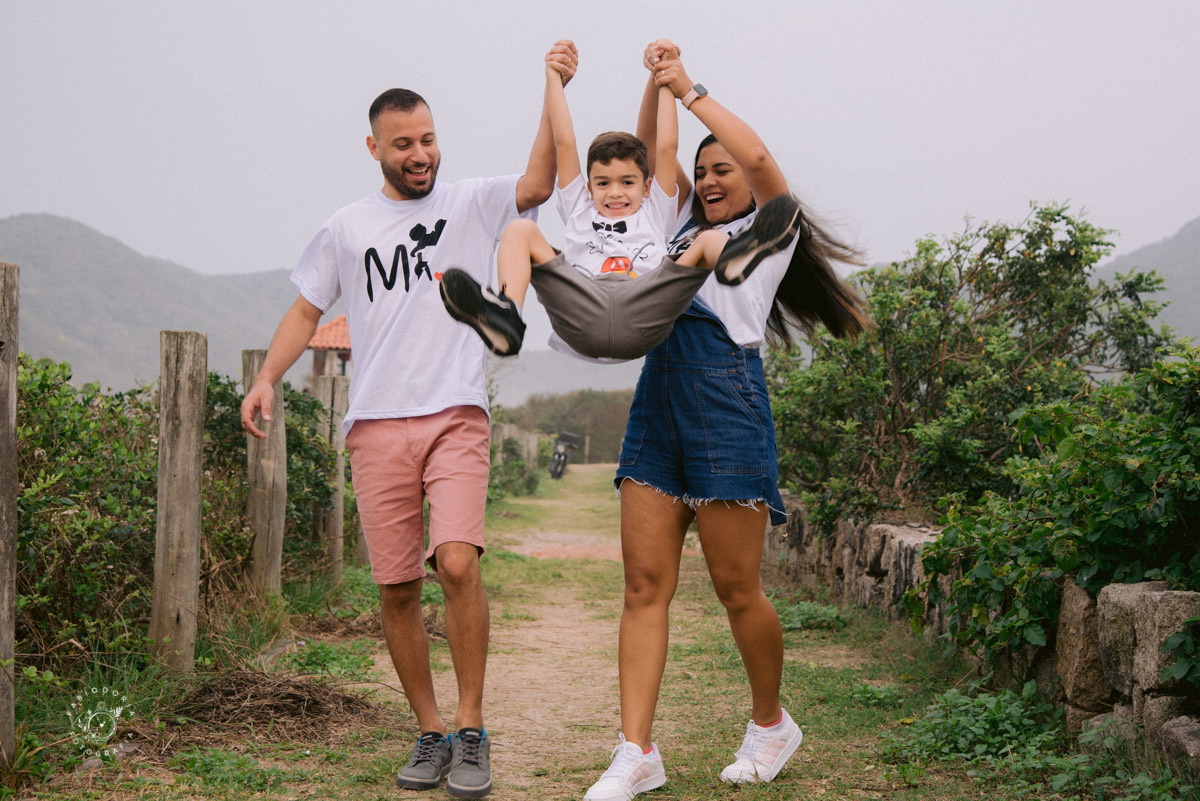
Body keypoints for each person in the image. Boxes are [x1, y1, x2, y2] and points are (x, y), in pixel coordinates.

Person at [238, 41, 580, 799]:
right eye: (404, 144)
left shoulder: (470, 201)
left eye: (428, 139)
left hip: (455, 412)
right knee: (396, 589)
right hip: (375, 424)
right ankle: (428, 730)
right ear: (374, 148)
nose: (421, 154)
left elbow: (542, 179)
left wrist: (552, 84)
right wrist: (267, 376)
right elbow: (306, 308)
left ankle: (470, 725)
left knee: (456, 562)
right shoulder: (346, 227)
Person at [581, 40, 871, 801]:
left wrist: (691, 87)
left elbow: (762, 151)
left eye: (722, 169)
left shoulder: (772, 236)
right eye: (702, 171)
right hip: (658, 408)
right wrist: (656, 86)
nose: (708, 178)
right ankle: (636, 750)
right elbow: (652, 156)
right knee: (644, 585)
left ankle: (771, 722)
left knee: (737, 588)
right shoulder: (673, 223)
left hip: (727, 409)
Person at [437, 46, 802, 363]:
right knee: (519, 230)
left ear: (646, 187)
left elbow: (665, 148)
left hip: (643, 304)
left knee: (707, 242)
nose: (614, 193)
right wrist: (554, 79)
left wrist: (675, 87)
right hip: (584, 303)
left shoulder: (656, 211)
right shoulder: (582, 207)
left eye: (627, 183)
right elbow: (566, 143)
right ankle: (506, 314)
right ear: (589, 186)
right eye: (603, 183)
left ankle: (736, 257)